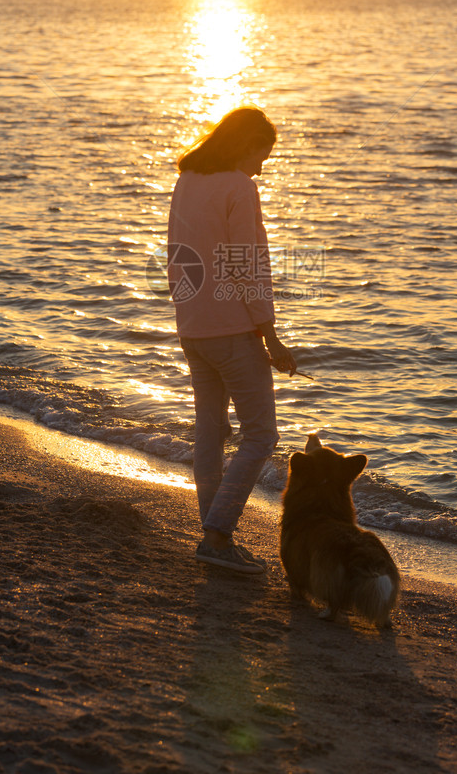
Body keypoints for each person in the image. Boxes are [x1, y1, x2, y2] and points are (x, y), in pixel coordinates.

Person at [167, 106, 297, 574]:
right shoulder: (239, 186)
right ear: (246, 145)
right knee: (261, 435)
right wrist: (272, 338)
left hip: (193, 327)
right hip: (232, 330)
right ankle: (218, 534)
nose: (263, 165)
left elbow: (175, 255)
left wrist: (188, 313)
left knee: (211, 431)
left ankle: (212, 533)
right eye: (263, 154)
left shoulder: (188, 180)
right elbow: (245, 267)